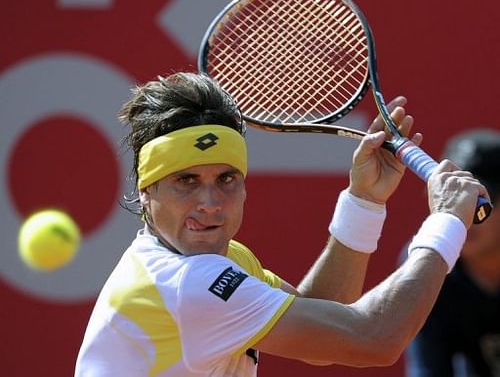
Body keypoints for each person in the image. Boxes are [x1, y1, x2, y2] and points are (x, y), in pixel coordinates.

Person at [75, 72, 488, 376]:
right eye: (186, 182)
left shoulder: (220, 261)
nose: (210, 203)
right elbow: (373, 339)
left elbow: (323, 328)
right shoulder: (191, 282)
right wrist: (448, 222)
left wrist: (364, 201)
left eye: (226, 179)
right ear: (147, 191)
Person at [405, 129, 500, 377]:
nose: (465, 216)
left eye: (480, 202)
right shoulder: (427, 261)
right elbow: (428, 370)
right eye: (455, 199)